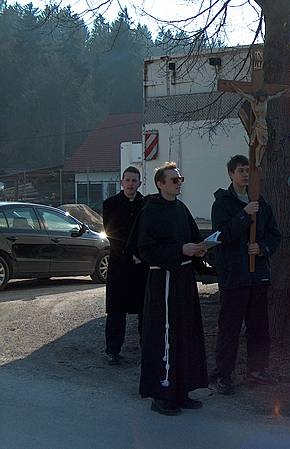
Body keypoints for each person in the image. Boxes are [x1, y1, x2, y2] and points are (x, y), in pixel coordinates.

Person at [132, 161, 208, 416]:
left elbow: (193, 237)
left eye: (180, 179)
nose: (178, 184)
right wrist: (180, 250)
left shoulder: (181, 208)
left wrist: (200, 249)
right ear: (160, 183)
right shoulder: (150, 211)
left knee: (186, 332)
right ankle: (162, 393)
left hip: (184, 279)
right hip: (163, 279)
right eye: (174, 180)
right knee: (164, 334)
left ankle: (182, 389)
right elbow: (145, 248)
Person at [210, 155, 281, 395]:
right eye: (241, 171)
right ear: (231, 174)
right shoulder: (223, 203)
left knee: (259, 326)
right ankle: (224, 374)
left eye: (248, 171)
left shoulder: (260, 202)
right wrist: (244, 214)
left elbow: (274, 235)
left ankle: (257, 370)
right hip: (235, 275)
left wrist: (261, 248)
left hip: (257, 275)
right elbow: (221, 235)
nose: (245, 175)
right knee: (230, 327)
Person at [102, 166, 148, 365]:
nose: (130, 184)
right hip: (119, 265)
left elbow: (146, 233)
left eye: (134, 180)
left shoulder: (145, 204)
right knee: (116, 311)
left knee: (145, 310)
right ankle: (113, 350)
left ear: (139, 183)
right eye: (127, 180)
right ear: (122, 182)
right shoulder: (110, 204)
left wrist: (141, 255)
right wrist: (131, 254)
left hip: (141, 267)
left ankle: (147, 349)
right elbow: (112, 233)